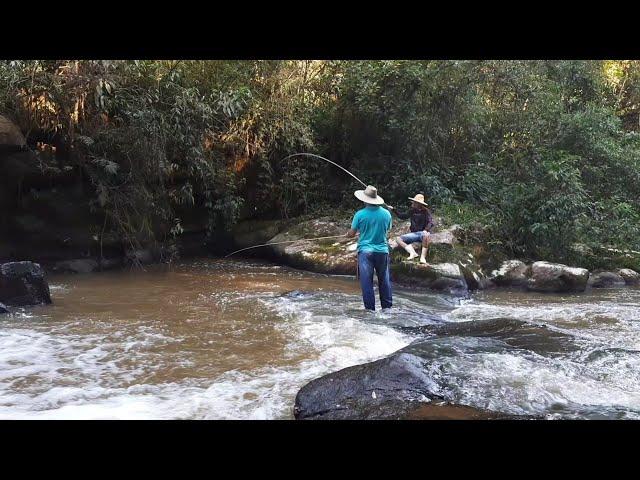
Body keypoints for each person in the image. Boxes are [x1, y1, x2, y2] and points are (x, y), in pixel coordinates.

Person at [347, 185, 393, 311]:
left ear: (365, 199)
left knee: (366, 282)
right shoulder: (387, 214)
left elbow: (351, 234)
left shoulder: (359, 214)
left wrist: (348, 234)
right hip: (382, 251)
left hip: (365, 252)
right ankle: (387, 308)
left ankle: (370, 310)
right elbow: (387, 229)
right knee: (384, 280)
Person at [391, 193, 434, 264]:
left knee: (426, 236)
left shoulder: (426, 211)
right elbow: (403, 216)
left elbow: (431, 222)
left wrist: (426, 230)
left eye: (415, 202)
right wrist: (394, 210)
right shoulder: (412, 210)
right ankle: (412, 253)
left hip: (422, 233)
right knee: (398, 239)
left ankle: (422, 257)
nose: (413, 203)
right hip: (413, 234)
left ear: (419, 204)